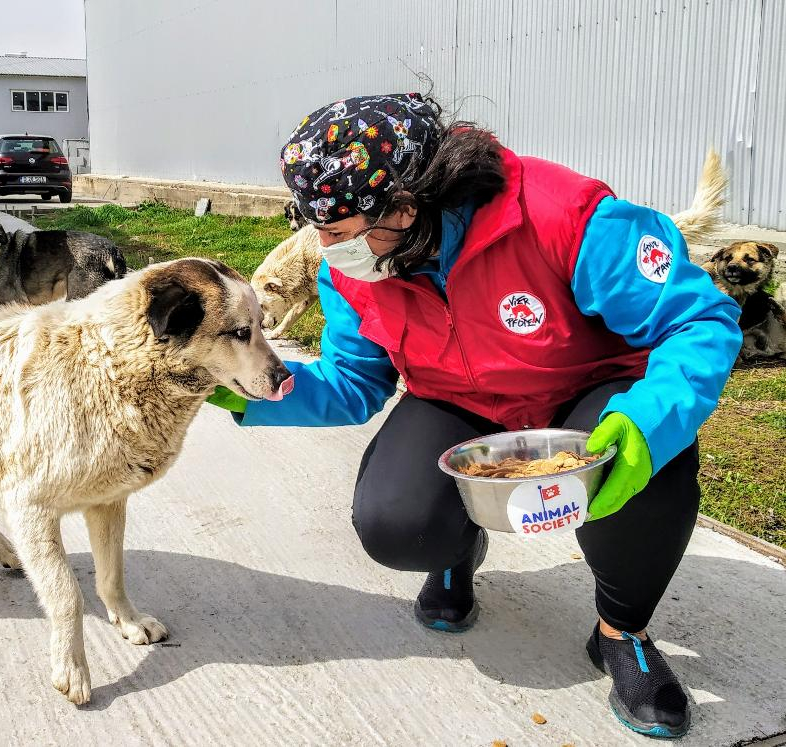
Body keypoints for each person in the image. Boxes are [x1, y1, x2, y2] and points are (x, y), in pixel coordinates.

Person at [207, 93, 742, 738]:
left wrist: (646, 423)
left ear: (409, 204)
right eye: (318, 228)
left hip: (589, 394)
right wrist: (246, 390)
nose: (330, 248)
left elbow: (698, 320)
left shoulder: (562, 215)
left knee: (644, 477)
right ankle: (457, 551)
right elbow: (354, 381)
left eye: (346, 231)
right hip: (456, 400)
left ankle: (621, 632)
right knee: (394, 520)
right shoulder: (353, 270)